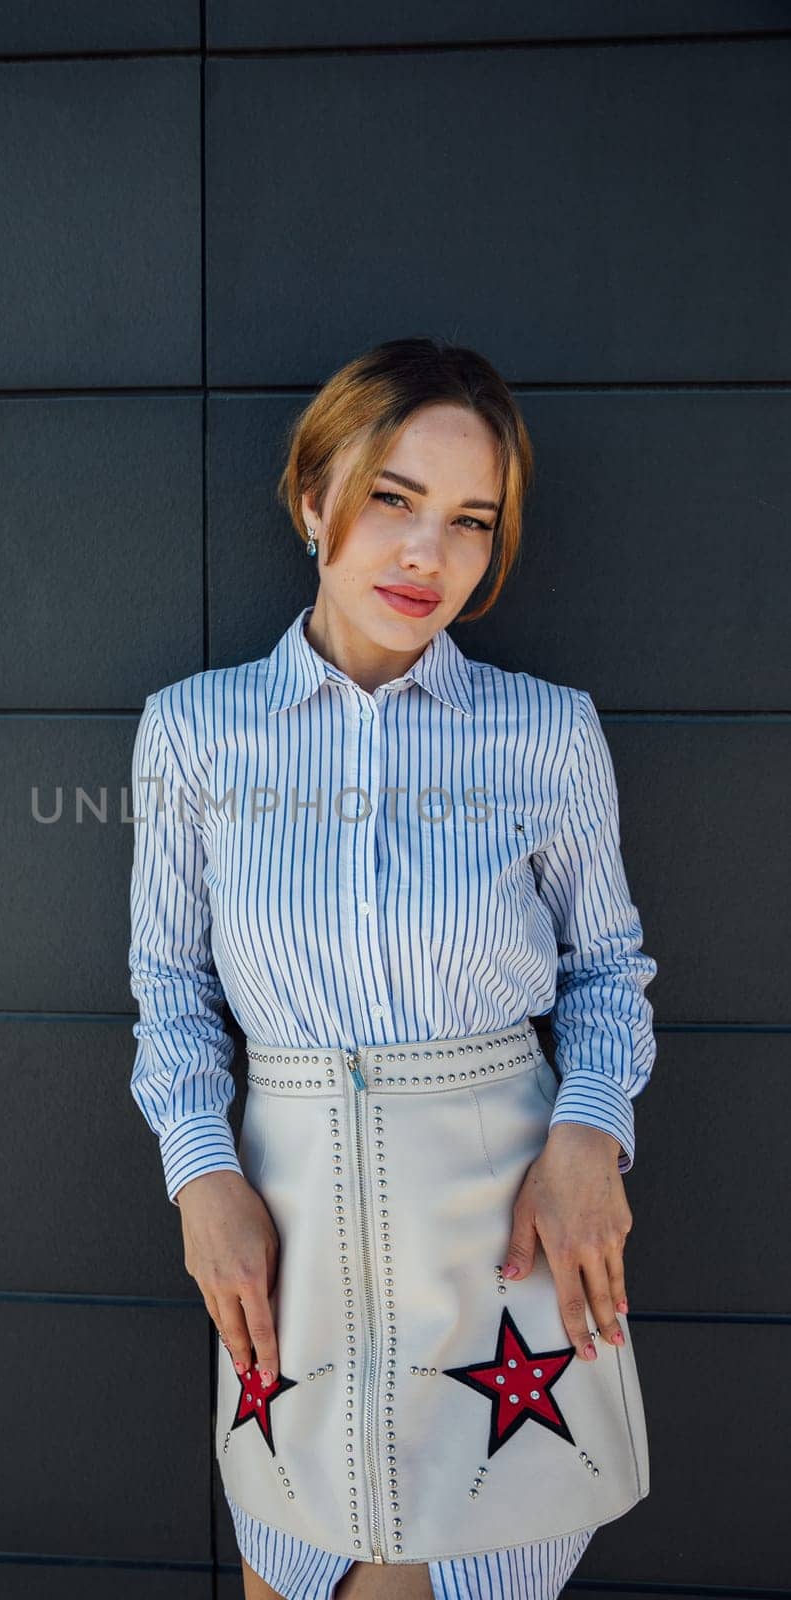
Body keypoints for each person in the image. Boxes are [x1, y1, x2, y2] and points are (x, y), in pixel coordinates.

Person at [127, 336, 657, 1600]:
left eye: (470, 521)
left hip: (498, 1243)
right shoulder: (194, 732)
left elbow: (606, 965)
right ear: (314, 501)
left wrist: (589, 1133)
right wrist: (201, 1178)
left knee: (468, 1561)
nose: (429, 554)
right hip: (292, 1244)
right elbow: (169, 992)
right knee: (292, 1558)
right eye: (392, 499)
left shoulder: (544, 732)